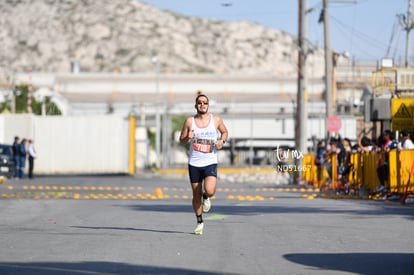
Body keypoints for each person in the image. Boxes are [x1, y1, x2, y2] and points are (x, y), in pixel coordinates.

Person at [179, 92, 229, 235]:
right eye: (200, 102)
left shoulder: (216, 120)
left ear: (208, 105)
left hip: (210, 162)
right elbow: (181, 140)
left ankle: (206, 197)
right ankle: (199, 221)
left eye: (205, 103)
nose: (202, 105)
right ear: (196, 105)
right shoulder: (190, 121)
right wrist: (187, 137)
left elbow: (225, 132)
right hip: (194, 163)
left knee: (210, 190)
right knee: (196, 194)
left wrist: (222, 141)